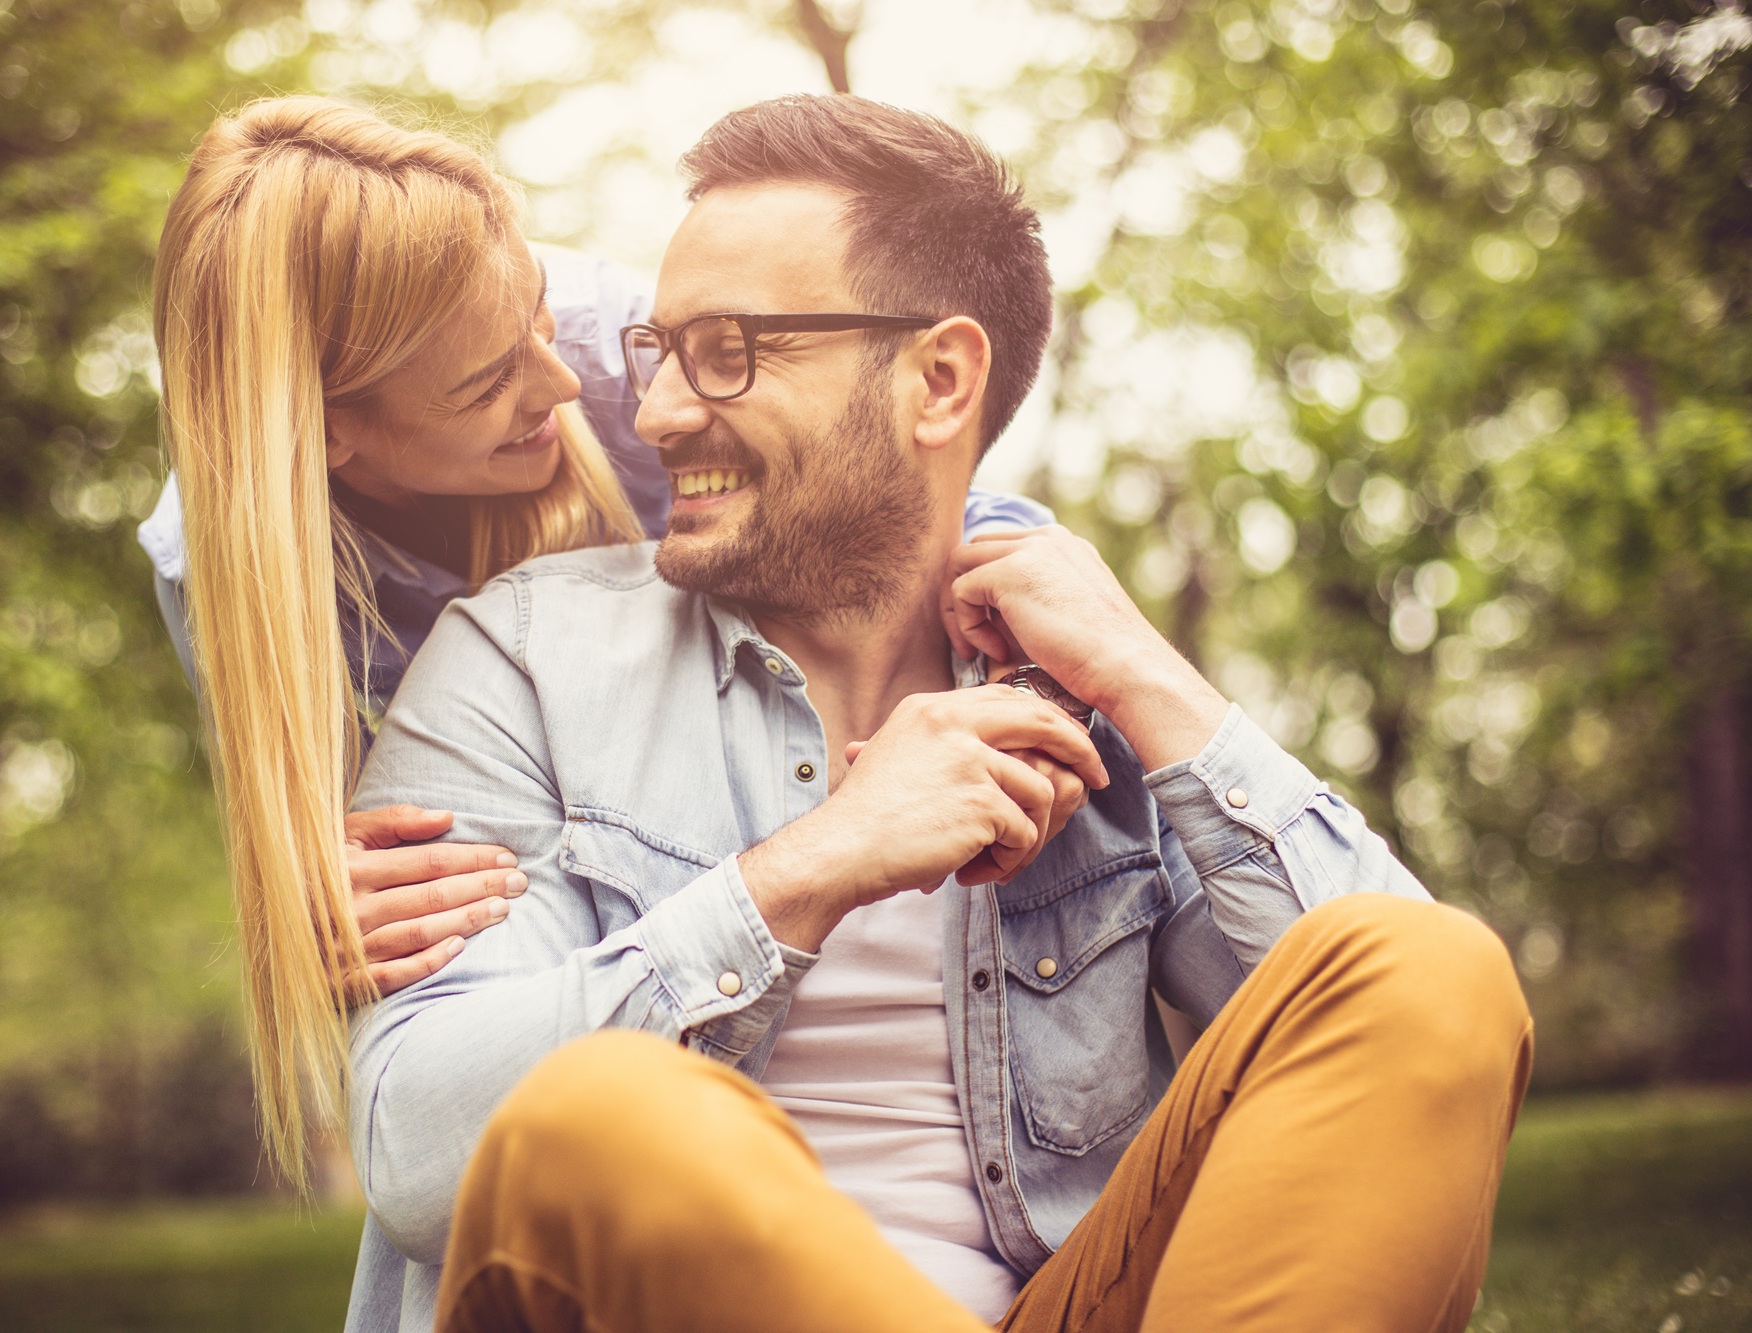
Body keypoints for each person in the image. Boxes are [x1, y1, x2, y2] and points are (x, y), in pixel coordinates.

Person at [344, 95, 1534, 1333]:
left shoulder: (1087, 685)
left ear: (940, 379)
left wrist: (1153, 684)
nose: (653, 416)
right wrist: (814, 866)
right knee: (608, 1112)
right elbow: (422, 1150)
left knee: (1427, 964)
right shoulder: (522, 656)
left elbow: (1394, 1051)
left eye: (730, 351)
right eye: (658, 350)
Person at [138, 96, 1052, 1188]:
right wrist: (326, 898)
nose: (563, 382)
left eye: (534, 316)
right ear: (331, 434)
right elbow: (363, 867)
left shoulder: (612, 346)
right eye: (489, 384)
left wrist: (1037, 574)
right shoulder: (223, 562)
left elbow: (896, 494)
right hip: (569, 927)